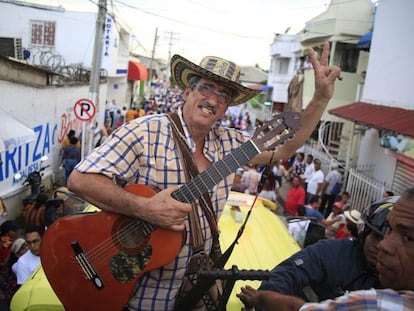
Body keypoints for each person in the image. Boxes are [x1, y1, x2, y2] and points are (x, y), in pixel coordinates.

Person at [67, 43, 342, 310]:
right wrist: (145, 208)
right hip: (136, 298)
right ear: (187, 92)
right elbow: (80, 181)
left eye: (223, 95)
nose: (213, 99)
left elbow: (286, 146)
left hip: (194, 296)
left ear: (226, 109)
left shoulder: (231, 144)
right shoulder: (145, 132)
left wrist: (320, 98)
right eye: (206, 88)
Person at [238, 188, 414, 311]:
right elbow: (286, 275)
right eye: (379, 235)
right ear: (364, 232)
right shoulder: (333, 253)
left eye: (407, 238)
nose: (383, 245)